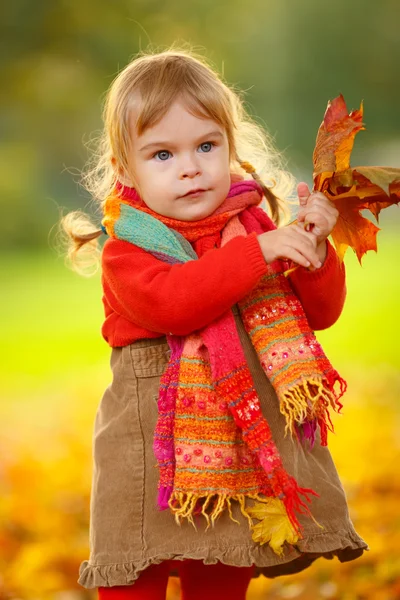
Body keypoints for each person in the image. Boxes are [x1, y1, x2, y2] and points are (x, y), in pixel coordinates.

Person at [61, 49, 368, 600]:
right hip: (148, 445)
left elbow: (319, 315)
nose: (190, 166)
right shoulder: (128, 250)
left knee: (225, 557)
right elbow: (176, 304)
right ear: (125, 168)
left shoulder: (254, 226)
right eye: (162, 153)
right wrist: (259, 253)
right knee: (136, 563)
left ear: (231, 146)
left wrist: (315, 251)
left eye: (206, 146)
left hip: (237, 438)